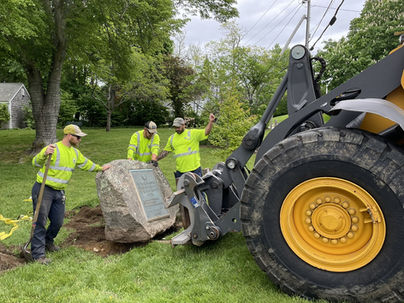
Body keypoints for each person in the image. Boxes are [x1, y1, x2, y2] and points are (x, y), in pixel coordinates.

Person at [31, 124, 111, 265]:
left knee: (58, 221)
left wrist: (100, 168)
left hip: (59, 191)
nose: (80, 140)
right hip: (44, 189)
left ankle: (48, 242)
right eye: (78, 137)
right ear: (69, 135)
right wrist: (43, 154)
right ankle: (38, 254)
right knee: (40, 221)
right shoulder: (53, 148)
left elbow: (86, 164)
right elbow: (35, 163)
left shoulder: (74, 153)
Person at [157, 114, 215, 183]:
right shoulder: (172, 138)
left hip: (194, 170)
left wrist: (211, 122)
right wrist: (156, 159)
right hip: (180, 171)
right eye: (175, 127)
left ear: (184, 125)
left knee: (198, 191)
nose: (177, 129)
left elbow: (206, 132)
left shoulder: (192, 133)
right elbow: (166, 151)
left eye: (178, 127)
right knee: (182, 192)